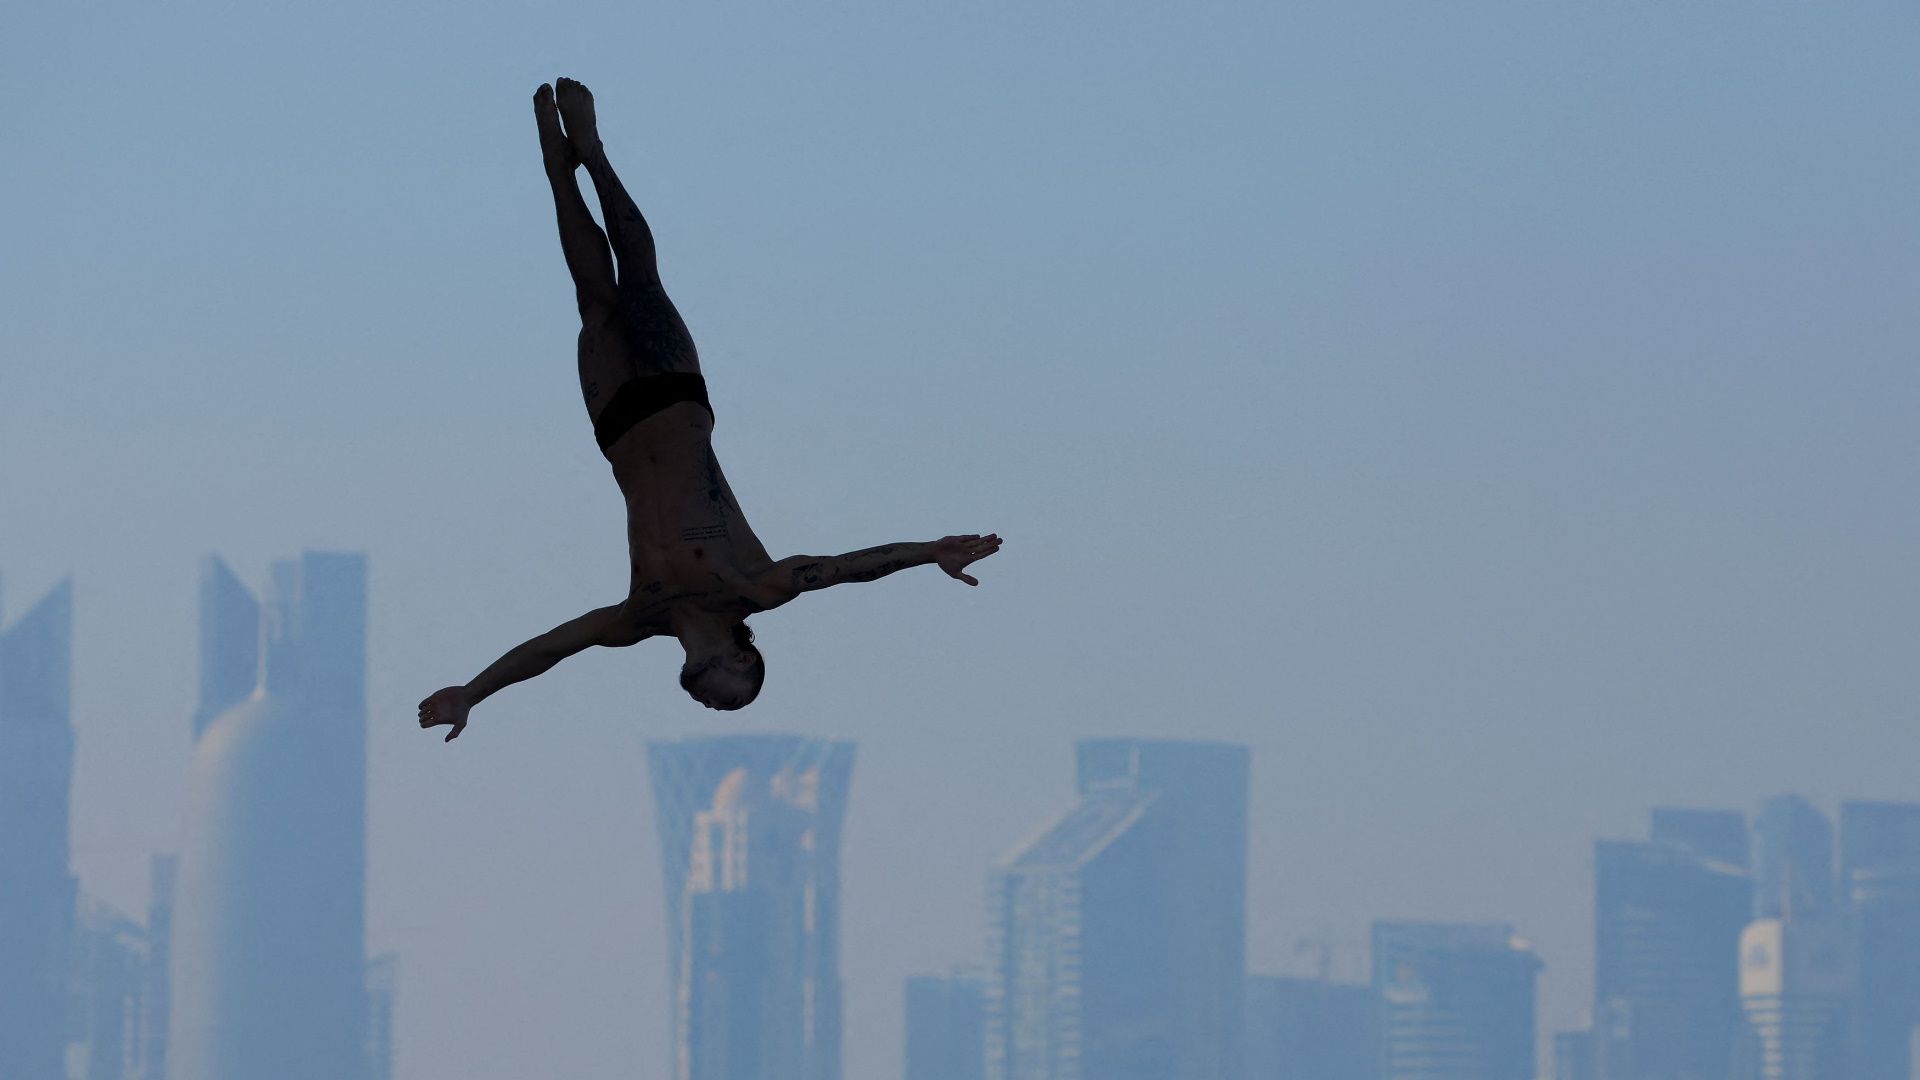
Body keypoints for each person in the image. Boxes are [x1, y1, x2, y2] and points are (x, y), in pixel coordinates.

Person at [417, 78, 1001, 741]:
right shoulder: (755, 587)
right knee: (639, 279)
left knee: (594, 301)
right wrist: (930, 552)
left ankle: (557, 169)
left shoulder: (641, 617)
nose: (714, 707)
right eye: (731, 702)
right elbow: (848, 568)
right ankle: (594, 153)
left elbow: (550, 648)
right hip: (675, 400)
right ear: (743, 659)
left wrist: (473, 692)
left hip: (617, 424)